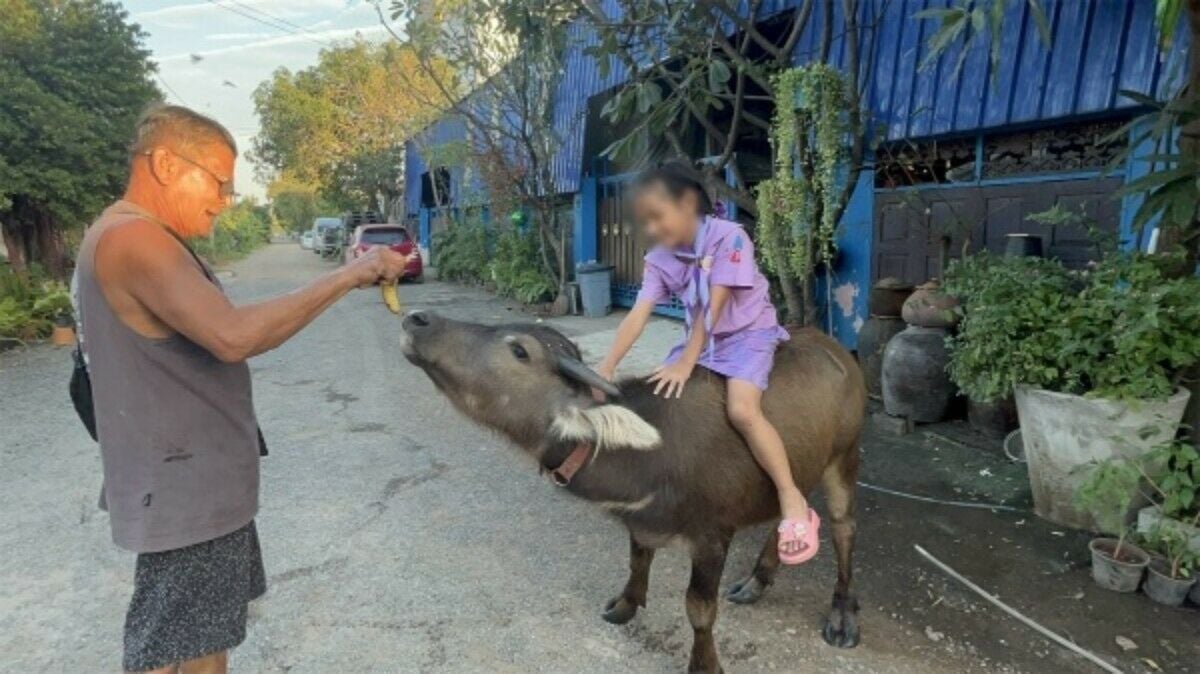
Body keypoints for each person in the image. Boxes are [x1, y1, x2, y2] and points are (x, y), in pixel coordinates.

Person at [75, 104, 413, 674]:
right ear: (163, 163)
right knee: (167, 650)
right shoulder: (133, 239)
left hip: (194, 484)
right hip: (181, 485)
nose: (224, 199)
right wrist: (347, 274)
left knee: (204, 636)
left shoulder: (133, 234)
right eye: (218, 181)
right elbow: (232, 336)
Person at [595, 161, 819, 565]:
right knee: (660, 400)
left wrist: (686, 362)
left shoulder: (729, 237)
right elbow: (638, 312)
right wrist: (607, 366)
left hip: (747, 334)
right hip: (699, 339)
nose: (651, 229)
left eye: (657, 216)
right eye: (645, 221)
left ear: (688, 203)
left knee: (742, 409)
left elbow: (714, 307)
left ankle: (791, 497)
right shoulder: (660, 258)